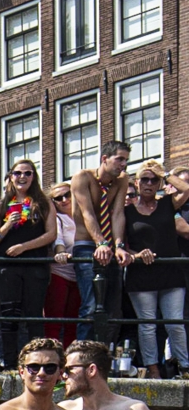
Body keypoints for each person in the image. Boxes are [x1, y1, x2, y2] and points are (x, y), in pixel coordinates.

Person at [0, 158, 55, 370]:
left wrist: (24, 246)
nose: (22, 177)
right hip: (8, 268)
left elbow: (51, 234)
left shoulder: (43, 203)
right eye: (17, 173)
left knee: (34, 316)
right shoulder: (1, 206)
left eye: (27, 173)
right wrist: (7, 225)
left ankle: (37, 363)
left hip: (35, 265)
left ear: (33, 177)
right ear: (10, 177)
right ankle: (9, 363)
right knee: (9, 316)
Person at [123, 159, 188, 377]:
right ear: (137, 183)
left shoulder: (168, 204)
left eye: (154, 179)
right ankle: (153, 368)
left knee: (175, 322)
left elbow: (186, 188)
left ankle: (185, 366)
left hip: (170, 273)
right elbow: (120, 245)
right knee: (148, 324)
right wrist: (137, 255)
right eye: (145, 179)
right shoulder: (127, 212)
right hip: (142, 274)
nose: (149, 183)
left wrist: (165, 172)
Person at [68, 140, 134, 335]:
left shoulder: (122, 180)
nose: (123, 164)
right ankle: (82, 355)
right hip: (87, 244)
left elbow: (117, 214)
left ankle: (108, 353)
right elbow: (87, 213)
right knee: (90, 305)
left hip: (108, 246)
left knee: (113, 307)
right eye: (119, 159)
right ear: (104, 158)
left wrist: (119, 245)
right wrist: (101, 243)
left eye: (126, 160)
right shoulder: (82, 177)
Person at [45, 181, 81, 340]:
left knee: (74, 321)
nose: (65, 199)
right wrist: (60, 252)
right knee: (55, 319)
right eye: (59, 198)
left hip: (80, 275)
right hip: (59, 274)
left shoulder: (83, 216)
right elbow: (57, 237)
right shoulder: (57, 218)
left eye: (68, 195)